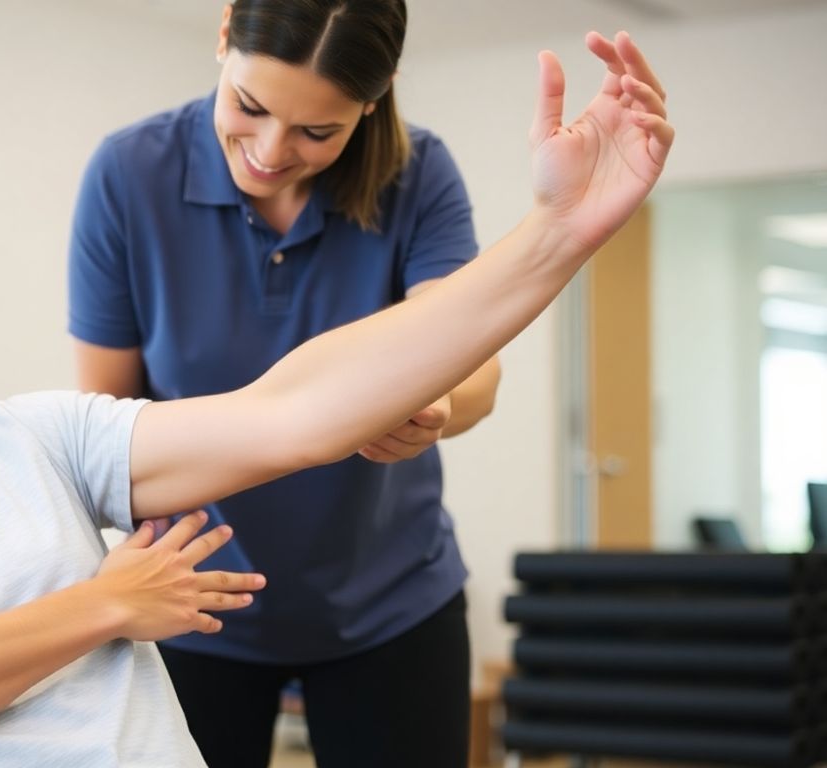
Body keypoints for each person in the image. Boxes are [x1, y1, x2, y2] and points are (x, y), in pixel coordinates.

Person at [0, 24, 670, 766]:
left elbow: (298, 412)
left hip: (378, 602)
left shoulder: (26, 441)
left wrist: (559, 235)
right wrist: (101, 604)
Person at [67, 2, 668, 764]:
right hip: (193, 600)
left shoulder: (417, 172)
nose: (270, 152)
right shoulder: (129, 174)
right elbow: (110, 425)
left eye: (318, 131)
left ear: (372, 99)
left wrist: (437, 401)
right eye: (248, 107)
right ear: (223, 38)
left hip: (388, 602)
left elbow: (473, 360)